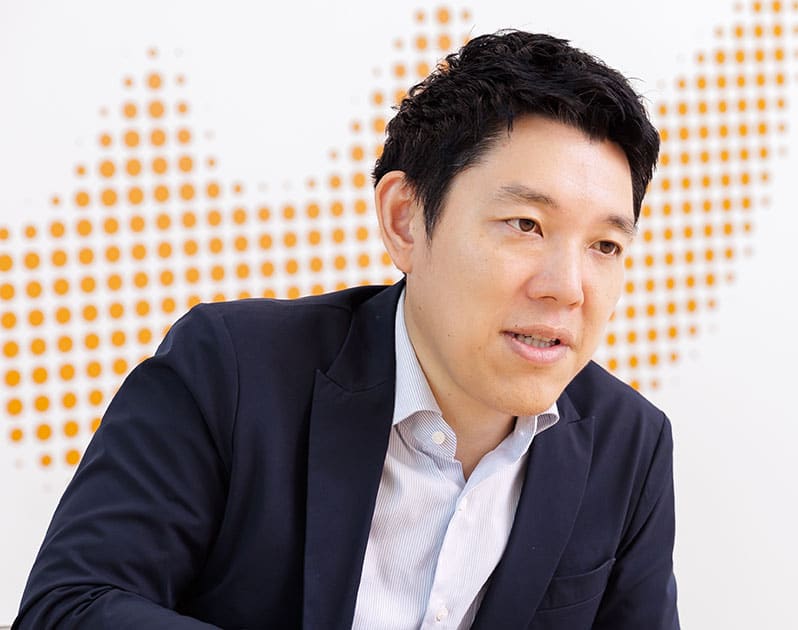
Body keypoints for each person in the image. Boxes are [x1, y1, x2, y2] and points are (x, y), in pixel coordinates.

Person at [16, 30, 677, 629]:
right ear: (404, 220)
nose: (568, 287)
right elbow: (71, 606)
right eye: (526, 225)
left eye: (605, 246)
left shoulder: (631, 444)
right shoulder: (232, 371)